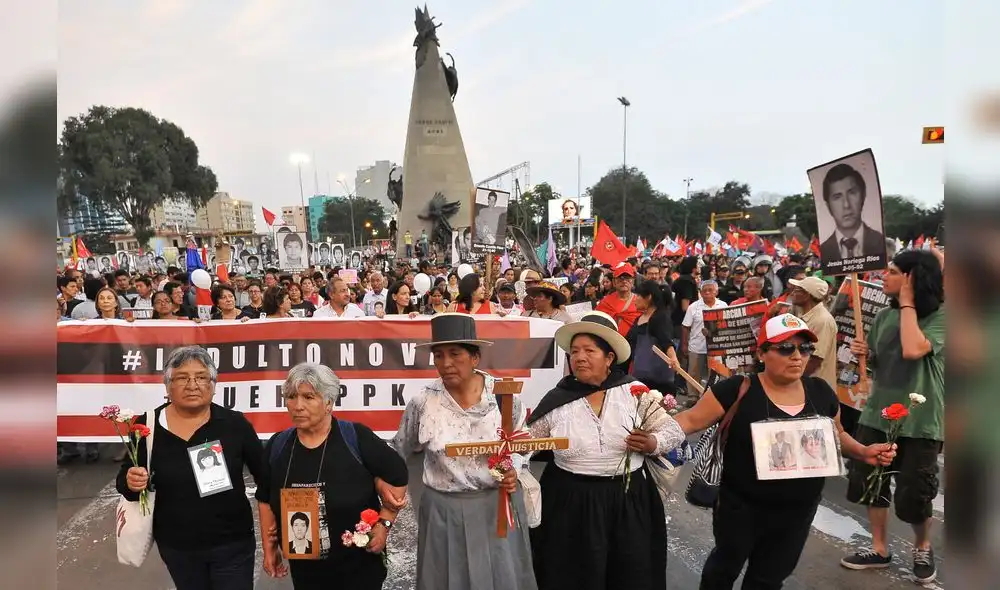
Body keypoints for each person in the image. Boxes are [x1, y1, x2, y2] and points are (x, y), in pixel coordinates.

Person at [672, 314, 896, 589]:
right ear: (762, 353)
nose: (797, 356)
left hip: (797, 512)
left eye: (805, 348)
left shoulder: (821, 392)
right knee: (723, 569)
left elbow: (836, 434)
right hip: (741, 508)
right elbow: (690, 420)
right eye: (786, 348)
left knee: (768, 580)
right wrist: (652, 434)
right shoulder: (738, 389)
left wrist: (863, 452)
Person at [527, 310, 684, 589]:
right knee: (572, 576)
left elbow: (673, 431)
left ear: (609, 357)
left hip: (627, 501)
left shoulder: (633, 392)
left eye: (589, 350)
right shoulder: (557, 400)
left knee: (628, 574)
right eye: (575, 351)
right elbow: (526, 444)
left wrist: (651, 443)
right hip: (569, 503)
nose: (579, 357)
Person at [391, 314, 537, 590]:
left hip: (496, 507)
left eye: (455, 354)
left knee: (500, 577)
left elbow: (521, 442)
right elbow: (399, 449)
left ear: (475, 358)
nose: (446, 363)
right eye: (438, 355)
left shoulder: (503, 397)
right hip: (443, 511)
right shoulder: (423, 403)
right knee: (446, 579)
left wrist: (514, 471)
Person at [116, 346, 265, 590]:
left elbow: (265, 477)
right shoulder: (147, 426)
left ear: (213, 385)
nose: (192, 385)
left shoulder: (234, 424)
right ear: (167, 386)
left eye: (201, 377)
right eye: (182, 378)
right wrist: (131, 482)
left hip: (232, 544)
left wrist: (273, 534)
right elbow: (125, 479)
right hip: (177, 547)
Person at [840, 250, 945, 583]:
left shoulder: (944, 316)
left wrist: (908, 303)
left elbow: (913, 349)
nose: (883, 276)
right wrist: (865, 355)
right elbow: (881, 362)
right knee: (871, 483)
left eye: (893, 272)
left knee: (915, 493)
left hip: (920, 419)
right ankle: (879, 547)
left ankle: (922, 546)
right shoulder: (885, 316)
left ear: (913, 279)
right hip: (878, 414)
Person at [256, 363, 408, 589]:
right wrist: (269, 550)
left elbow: (398, 475)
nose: (298, 406)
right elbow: (265, 498)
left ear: (329, 402)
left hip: (358, 568)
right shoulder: (278, 445)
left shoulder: (355, 437)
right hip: (305, 571)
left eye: (308, 397)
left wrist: (384, 524)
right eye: (291, 397)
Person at [818, 163, 886, 261]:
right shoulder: (824, 250)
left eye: (852, 193)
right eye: (837, 197)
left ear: (863, 195)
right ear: (828, 206)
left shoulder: (880, 242)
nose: (846, 205)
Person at [680, 280, 728, 402]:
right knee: (694, 373)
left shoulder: (723, 305)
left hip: (716, 347)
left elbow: (727, 326)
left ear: (716, 292)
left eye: (710, 290)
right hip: (696, 346)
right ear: (700, 293)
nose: (707, 292)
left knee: (716, 373)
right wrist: (684, 345)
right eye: (704, 290)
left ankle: (713, 398)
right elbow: (685, 327)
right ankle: (693, 397)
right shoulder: (693, 307)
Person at [787, 276, 837, 391]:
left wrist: (790, 381)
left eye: (797, 290)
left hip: (816, 388)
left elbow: (815, 360)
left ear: (807, 295)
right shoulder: (803, 313)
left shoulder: (822, 320)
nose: (792, 293)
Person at [595, 262, 641, 336]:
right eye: (620, 278)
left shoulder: (640, 302)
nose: (624, 281)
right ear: (614, 282)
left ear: (633, 282)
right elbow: (596, 323)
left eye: (628, 278)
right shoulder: (605, 302)